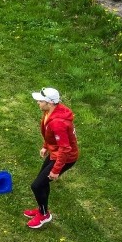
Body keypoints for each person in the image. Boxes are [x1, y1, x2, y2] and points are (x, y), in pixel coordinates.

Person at [25, 87, 79, 229]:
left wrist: (56, 170)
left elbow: (65, 148)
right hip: (55, 153)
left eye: (40, 101)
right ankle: (42, 209)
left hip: (65, 157)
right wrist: (45, 146)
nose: (38, 102)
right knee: (41, 183)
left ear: (50, 102)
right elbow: (50, 134)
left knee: (36, 186)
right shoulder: (50, 112)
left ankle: (44, 215)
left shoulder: (58, 122)